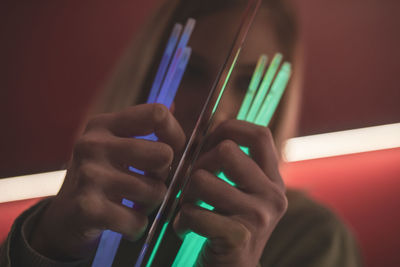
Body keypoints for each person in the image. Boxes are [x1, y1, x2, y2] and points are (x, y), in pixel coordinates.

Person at [0, 0, 362, 266]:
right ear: (150, 70)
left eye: (250, 82)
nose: (215, 112)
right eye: (192, 71)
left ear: (278, 99)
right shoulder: (91, 205)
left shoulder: (314, 237)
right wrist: (48, 244)